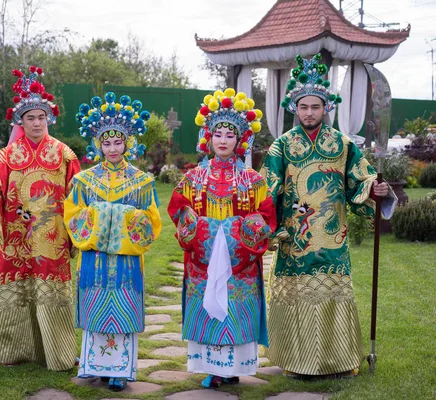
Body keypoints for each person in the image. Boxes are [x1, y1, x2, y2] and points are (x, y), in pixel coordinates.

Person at [261, 54, 397, 378]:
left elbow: (361, 180)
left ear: (326, 108)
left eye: (316, 107)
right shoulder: (281, 147)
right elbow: (266, 191)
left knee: (333, 295)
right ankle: (297, 362)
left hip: (333, 242)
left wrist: (374, 190)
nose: (310, 113)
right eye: (304, 107)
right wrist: (266, 227)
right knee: (298, 298)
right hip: (295, 241)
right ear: (295, 108)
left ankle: (336, 362)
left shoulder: (343, 145)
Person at [167, 88, 276, 388]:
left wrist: (231, 235)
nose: (223, 140)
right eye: (218, 134)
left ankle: (235, 366)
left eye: (230, 135)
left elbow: (266, 216)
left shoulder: (253, 180)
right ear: (209, 137)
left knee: (237, 307)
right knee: (209, 305)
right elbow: (178, 209)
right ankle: (214, 368)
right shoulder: (193, 178)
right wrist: (203, 233)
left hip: (240, 260)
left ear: (240, 140)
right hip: (202, 260)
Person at [0, 66, 80, 370]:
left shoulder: (65, 155)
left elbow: (78, 195)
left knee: (52, 293)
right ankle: (13, 351)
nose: (36, 123)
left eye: (41, 117)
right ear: (20, 121)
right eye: (30, 118)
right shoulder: (5, 157)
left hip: (52, 238)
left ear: (50, 119)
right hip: (15, 239)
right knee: (14, 291)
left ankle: (58, 354)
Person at [63, 92, 162, 392]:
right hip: (93, 261)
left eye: (118, 142)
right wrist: (101, 215)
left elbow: (151, 222)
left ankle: (120, 370)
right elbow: (73, 217)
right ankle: (92, 364)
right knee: (95, 306)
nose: (113, 148)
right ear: (98, 144)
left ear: (128, 142)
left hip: (126, 263)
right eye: (106, 142)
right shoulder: (84, 180)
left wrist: (117, 217)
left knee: (122, 307)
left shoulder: (142, 181)